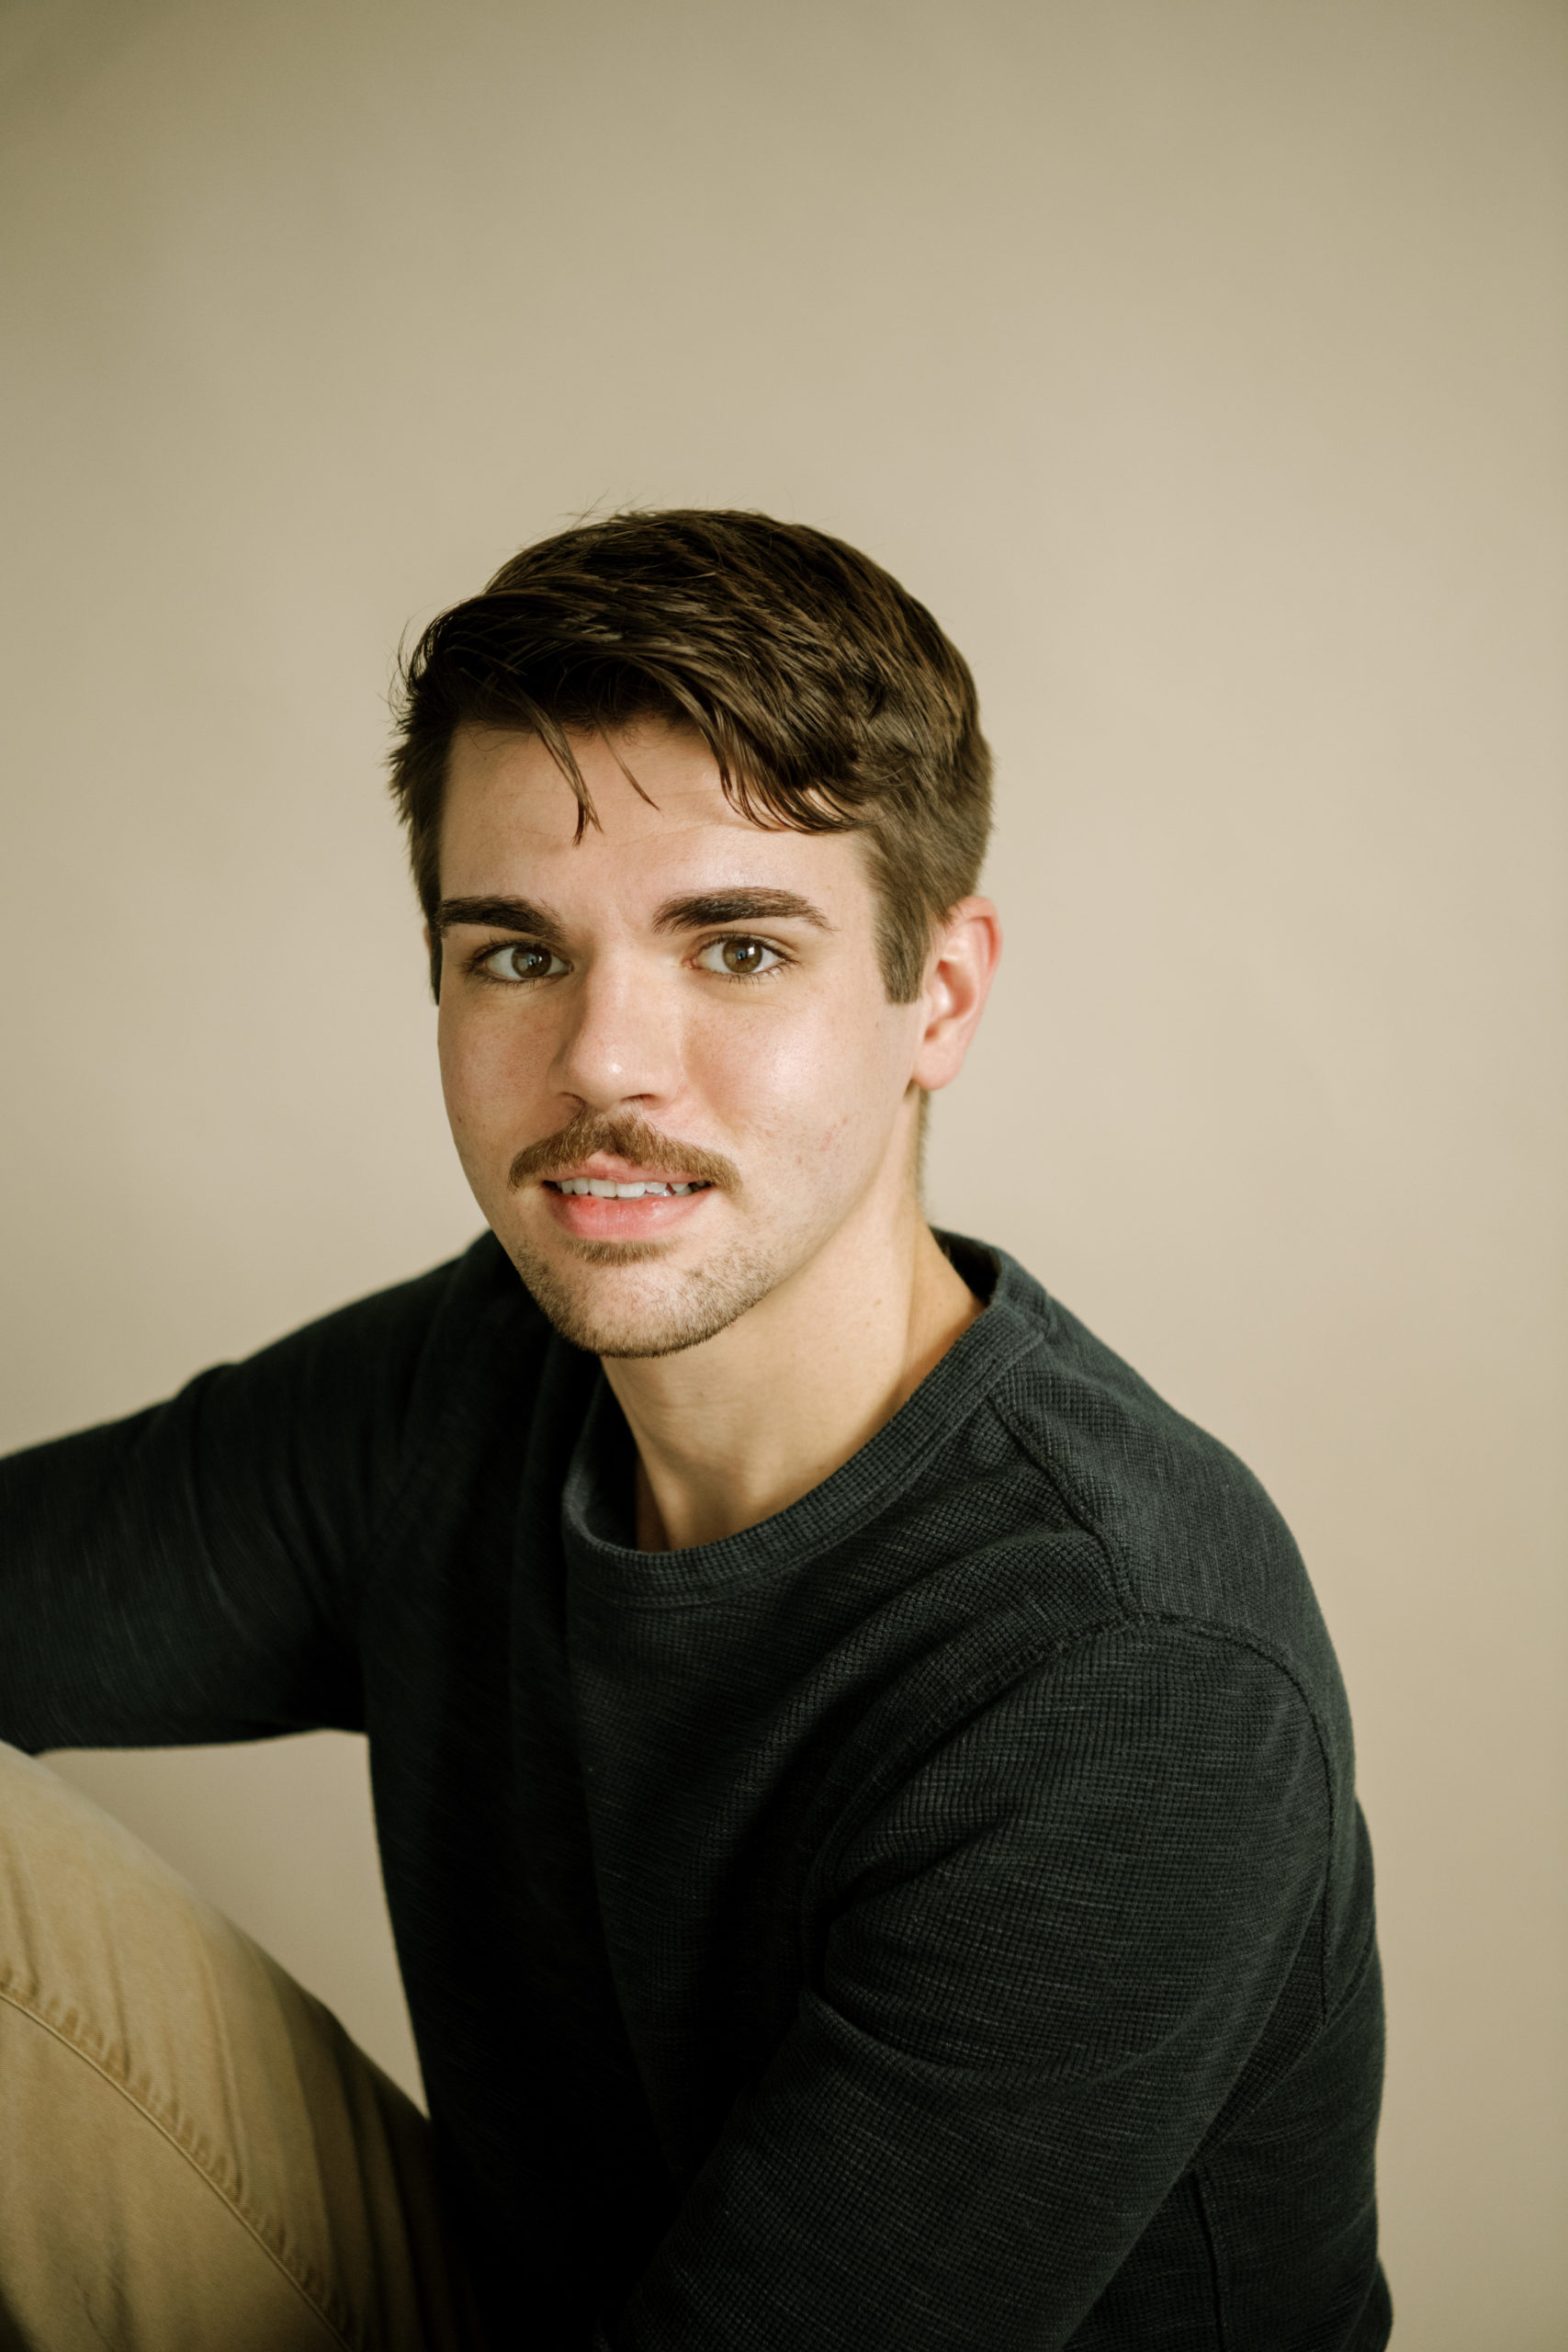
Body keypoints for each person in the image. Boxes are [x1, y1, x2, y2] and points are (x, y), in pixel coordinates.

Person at [0, 510, 1391, 2351]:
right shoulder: (475, 1377)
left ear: (937, 993)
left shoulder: (1126, 1669)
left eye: (734, 949)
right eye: (516, 955)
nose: (602, 1061)